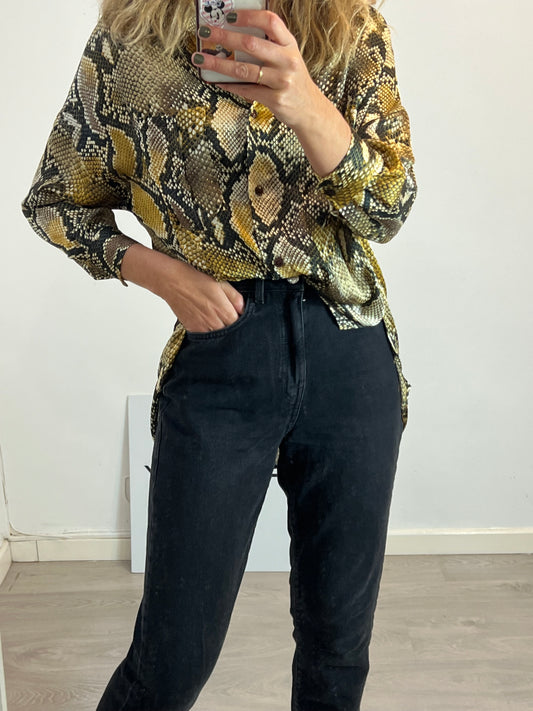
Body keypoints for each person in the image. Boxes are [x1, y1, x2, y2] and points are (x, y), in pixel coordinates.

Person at [21, 0, 418, 708]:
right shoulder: (131, 39)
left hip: (349, 352)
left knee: (337, 647)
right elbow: (55, 201)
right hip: (219, 354)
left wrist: (303, 100)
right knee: (170, 660)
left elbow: (388, 208)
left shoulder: (349, 27)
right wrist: (165, 277)